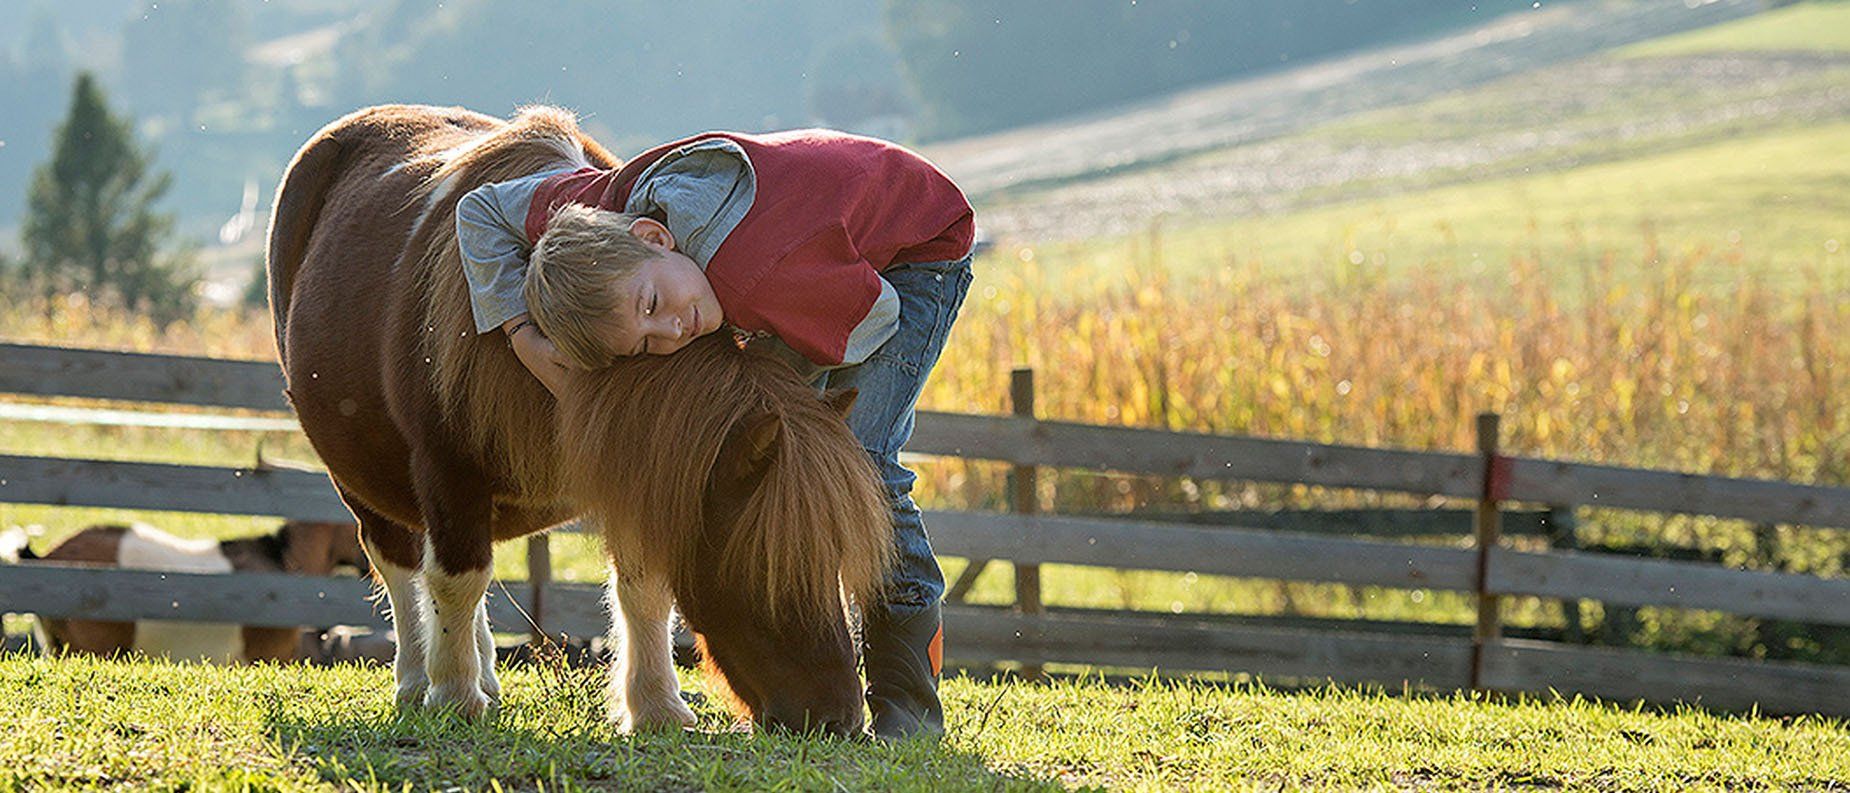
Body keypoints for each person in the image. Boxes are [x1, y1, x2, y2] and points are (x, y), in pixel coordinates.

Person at [456, 127, 975, 739]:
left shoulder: (759, 280)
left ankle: (909, 705)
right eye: (646, 345)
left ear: (653, 236)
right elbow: (481, 209)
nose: (673, 332)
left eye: (653, 306)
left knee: (865, 462)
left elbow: (871, 322)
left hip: (916, 258)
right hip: (819, 219)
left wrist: (793, 418)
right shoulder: (594, 219)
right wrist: (522, 334)